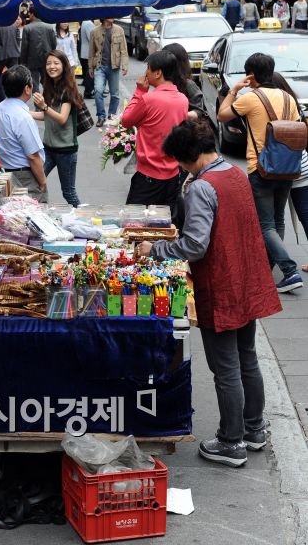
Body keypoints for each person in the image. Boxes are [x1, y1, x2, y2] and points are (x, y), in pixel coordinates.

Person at [137, 119, 282, 468]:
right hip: (246, 278)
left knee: (226, 367)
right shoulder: (233, 173)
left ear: (190, 156)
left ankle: (232, 442)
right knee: (247, 358)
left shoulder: (203, 187)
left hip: (221, 282)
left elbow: (195, 245)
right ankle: (253, 430)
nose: (179, 167)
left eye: (179, 160)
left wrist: (154, 249)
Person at [218, 52, 303, 293]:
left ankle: (289, 270)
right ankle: (267, 267)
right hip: (288, 167)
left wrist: (234, 90)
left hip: (261, 168)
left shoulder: (251, 98)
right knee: (277, 220)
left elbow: (222, 115)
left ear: (251, 75)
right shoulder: (288, 97)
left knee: (265, 225)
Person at [121, 50, 188, 222]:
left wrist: (139, 91)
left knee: (134, 224)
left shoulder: (149, 99)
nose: (145, 74)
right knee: (162, 226)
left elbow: (127, 120)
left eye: (148, 69)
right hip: (173, 175)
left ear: (158, 73)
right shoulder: (182, 99)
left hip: (148, 176)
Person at [30, 50, 83, 207]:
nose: (51, 66)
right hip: (48, 148)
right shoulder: (49, 86)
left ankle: (83, 219)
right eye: (48, 63)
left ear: (64, 66)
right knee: (36, 181)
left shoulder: (68, 89)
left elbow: (61, 118)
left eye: (56, 63)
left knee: (68, 192)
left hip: (66, 150)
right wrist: (26, 113)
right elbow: (47, 116)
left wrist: (43, 106)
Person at [0, 65, 48, 203]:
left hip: (5, 173)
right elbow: (33, 156)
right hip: (25, 176)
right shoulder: (22, 116)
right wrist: (42, 181)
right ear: (27, 88)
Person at [269, 73, 308, 272]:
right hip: (301, 164)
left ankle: (275, 262)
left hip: (279, 168)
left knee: (273, 218)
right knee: (304, 212)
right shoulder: (292, 102)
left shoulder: (268, 105)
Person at [88, 17, 129, 128]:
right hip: (99, 66)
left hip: (114, 66)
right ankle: (101, 116)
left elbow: (123, 50)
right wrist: (90, 68)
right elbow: (91, 51)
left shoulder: (119, 30)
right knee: (98, 91)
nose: (112, 17)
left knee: (115, 94)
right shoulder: (94, 31)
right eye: (110, 15)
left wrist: (125, 65)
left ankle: (111, 116)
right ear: (104, 17)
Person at [20, 5, 57, 93]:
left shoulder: (27, 28)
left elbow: (24, 47)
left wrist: (23, 62)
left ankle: (38, 105)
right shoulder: (49, 27)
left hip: (32, 60)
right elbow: (54, 44)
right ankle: (50, 101)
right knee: (47, 82)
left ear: (32, 14)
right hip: (47, 58)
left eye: (29, 13)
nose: (29, 15)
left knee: (34, 84)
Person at [162, 43, 205, 118]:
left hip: (184, 128)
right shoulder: (161, 82)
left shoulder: (188, 85)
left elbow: (200, 111)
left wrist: (181, 115)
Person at [79, 19, 95, 98]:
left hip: (85, 52)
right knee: (90, 74)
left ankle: (89, 90)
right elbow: (92, 38)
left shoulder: (85, 22)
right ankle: (88, 92)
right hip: (89, 52)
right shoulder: (88, 23)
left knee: (88, 73)